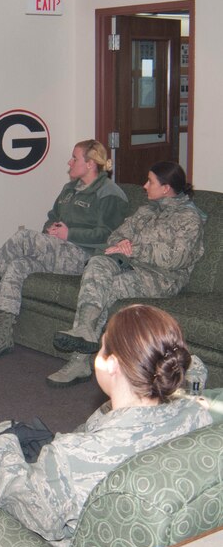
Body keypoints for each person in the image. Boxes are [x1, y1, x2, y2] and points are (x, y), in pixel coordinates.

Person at [0, 305, 211, 547]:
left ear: (111, 364)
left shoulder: (71, 456)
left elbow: (19, 505)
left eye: (102, 347)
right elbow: (196, 368)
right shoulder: (198, 412)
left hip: (74, 546)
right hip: (174, 539)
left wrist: (2, 441)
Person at [0, 140, 128, 362]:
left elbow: (109, 235)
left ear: (89, 164)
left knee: (23, 236)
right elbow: (52, 217)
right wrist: (49, 231)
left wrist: (70, 234)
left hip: (84, 257)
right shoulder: (69, 189)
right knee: (16, 266)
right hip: (58, 251)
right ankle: (3, 336)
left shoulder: (110, 193)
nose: (69, 162)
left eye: (74, 158)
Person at [50, 161, 205, 387]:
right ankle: (84, 330)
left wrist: (133, 249)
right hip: (131, 263)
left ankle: (79, 361)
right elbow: (115, 237)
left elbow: (175, 259)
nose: (144, 185)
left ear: (166, 188)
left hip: (164, 277)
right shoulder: (147, 210)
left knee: (107, 288)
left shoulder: (188, 218)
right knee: (97, 263)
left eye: (150, 181)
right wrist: (122, 244)